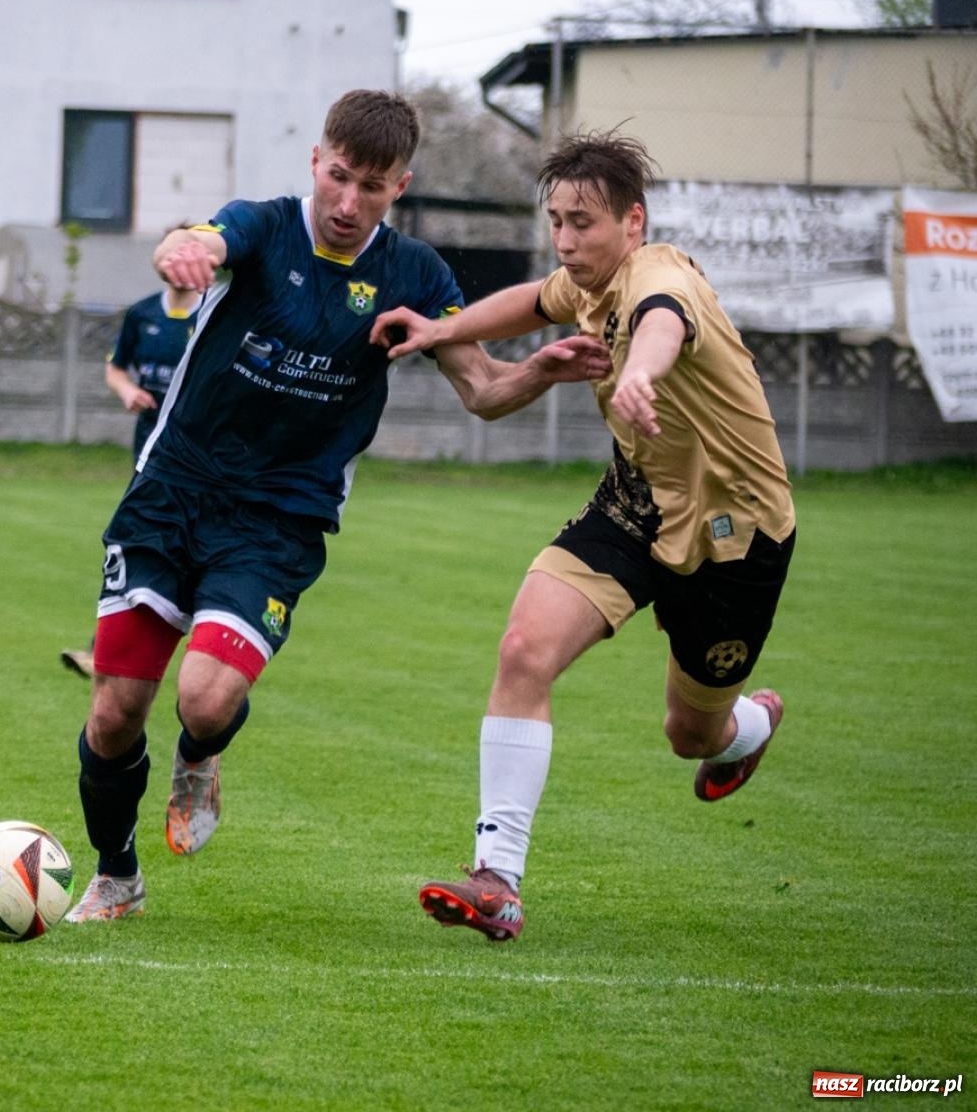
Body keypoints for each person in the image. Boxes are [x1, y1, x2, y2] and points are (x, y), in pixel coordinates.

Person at [63, 90, 612, 922]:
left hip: (279, 517)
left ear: (403, 186)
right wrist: (184, 250)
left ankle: (200, 755)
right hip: (171, 492)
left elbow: (484, 392)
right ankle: (116, 876)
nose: (349, 203)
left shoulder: (417, 276)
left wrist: (540, 370)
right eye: (340, 178)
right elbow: (205, 237)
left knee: (204, 700)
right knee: (112, 714)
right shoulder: (266, 226)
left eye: (374, 186)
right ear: (317, 162)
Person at [371, 128, 797, 943]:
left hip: (735, 538)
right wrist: (441, 330)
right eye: (557, 220)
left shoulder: (659, 275)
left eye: (585, 224)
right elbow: (533, 300)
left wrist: (638, 373)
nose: (567, 240)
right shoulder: (585, 284)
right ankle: (497, 880)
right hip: (635, 505)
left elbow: (662, 324)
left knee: (690, 734)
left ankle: (749, 726)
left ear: (632, 222)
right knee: (524, 649)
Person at [60, 276, 198, 679]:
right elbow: (116, 369)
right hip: (151, 457)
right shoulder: (143, 313)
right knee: (132, 545)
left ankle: (209, 652)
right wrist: (127, 392)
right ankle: (101, 651)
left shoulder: (214, 311)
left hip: (200, 460)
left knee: (186, 548)